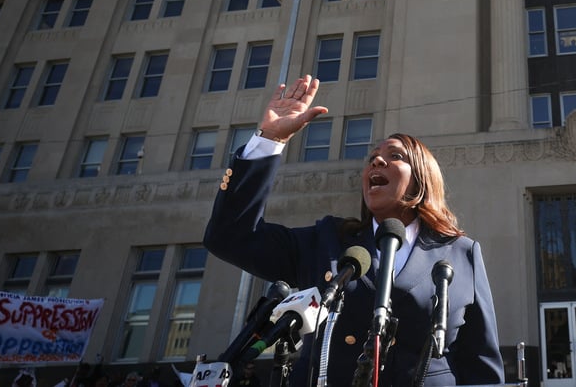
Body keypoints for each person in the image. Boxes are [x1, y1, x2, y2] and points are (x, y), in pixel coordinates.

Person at [204, 77, 505, 387]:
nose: (376, 159)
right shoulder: (328, 242)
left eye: (395, 156)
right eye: (373, 156)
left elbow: (480, 362)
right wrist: (269, 140)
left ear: (421, 180)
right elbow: (231, 236)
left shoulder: (460, 252)